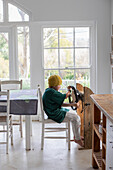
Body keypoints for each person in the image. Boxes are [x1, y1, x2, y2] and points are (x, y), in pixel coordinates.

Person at [42, 75, 84, 147]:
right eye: (59, 85)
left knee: (74, 114)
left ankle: (76, 136)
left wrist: (74, 104)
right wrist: (69, 91)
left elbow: (60, 103)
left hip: (52, 111)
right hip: (54, 113)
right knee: (76, 117)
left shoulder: (48, 91)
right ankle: (77, 138)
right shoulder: (52, 92)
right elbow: (64, 96)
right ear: (55, 85)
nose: (60, 86)